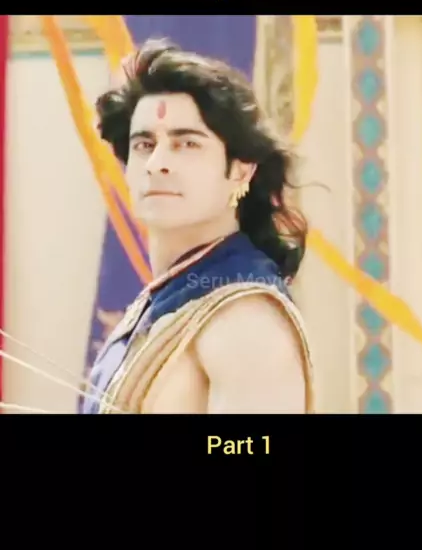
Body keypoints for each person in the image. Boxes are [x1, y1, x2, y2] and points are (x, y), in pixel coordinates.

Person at [81, 39, 315, 414]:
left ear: (241, 170)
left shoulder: (245, 322)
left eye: (187, 144)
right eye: (144, 145)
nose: (157, 163)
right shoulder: (163, 299)